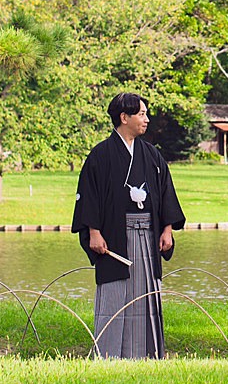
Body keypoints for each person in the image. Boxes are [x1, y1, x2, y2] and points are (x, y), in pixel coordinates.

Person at [71, 92, 185, 358]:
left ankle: (148, 353)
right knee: (115, 292)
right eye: (141, 114)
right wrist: (94, 233)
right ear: (124, 117)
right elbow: (89, 196)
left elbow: (165, 192)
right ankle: (110, 354)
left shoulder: (152, 156)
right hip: (113, 236)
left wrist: (167, 229)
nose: (147, 119)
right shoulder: (100, 155)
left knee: (147, 292)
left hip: (148, 235)